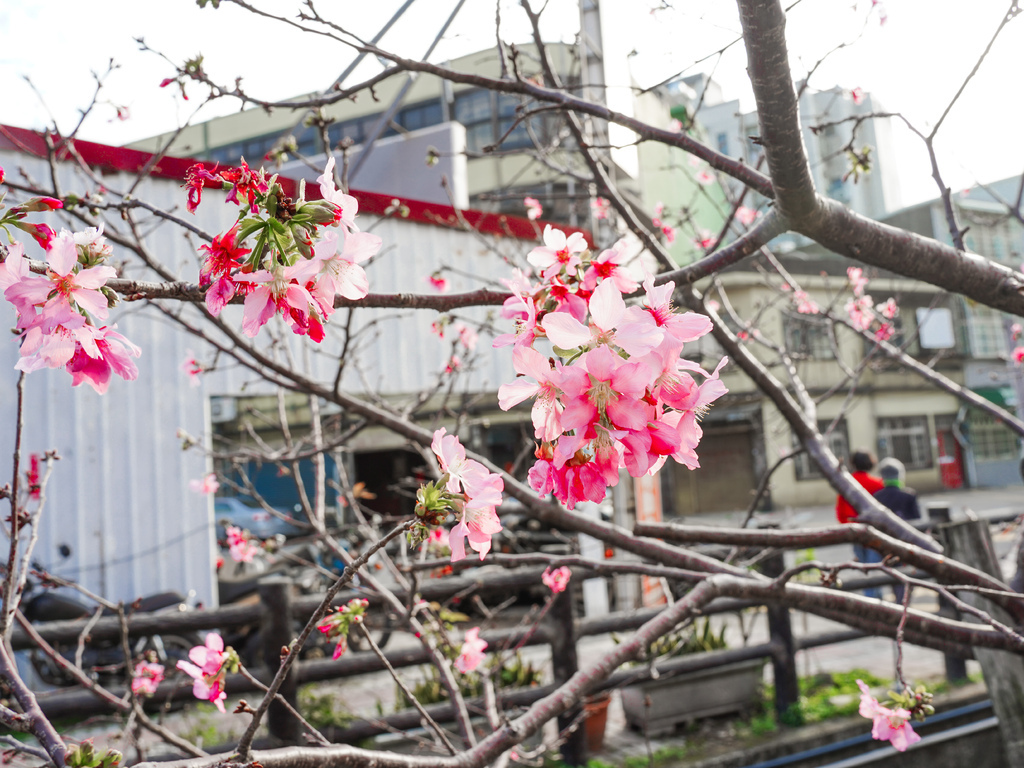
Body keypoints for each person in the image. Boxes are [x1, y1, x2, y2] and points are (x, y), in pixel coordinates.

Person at [836, 450, 884, 599]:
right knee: (875, 570)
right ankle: (876, 604)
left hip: (855, 533)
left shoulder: (846, 484)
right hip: (875, 533)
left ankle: (873, 604)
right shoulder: (878, 484)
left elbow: (840, 512)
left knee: (865, 570)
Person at [873, 457, 920, 603]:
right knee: (907, 574)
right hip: (908, 543)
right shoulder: (909, 495)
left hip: (885, 545)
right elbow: (918, 521)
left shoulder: (877, 497)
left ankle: (899, 603)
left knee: (893, 574)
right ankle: (904, 603)